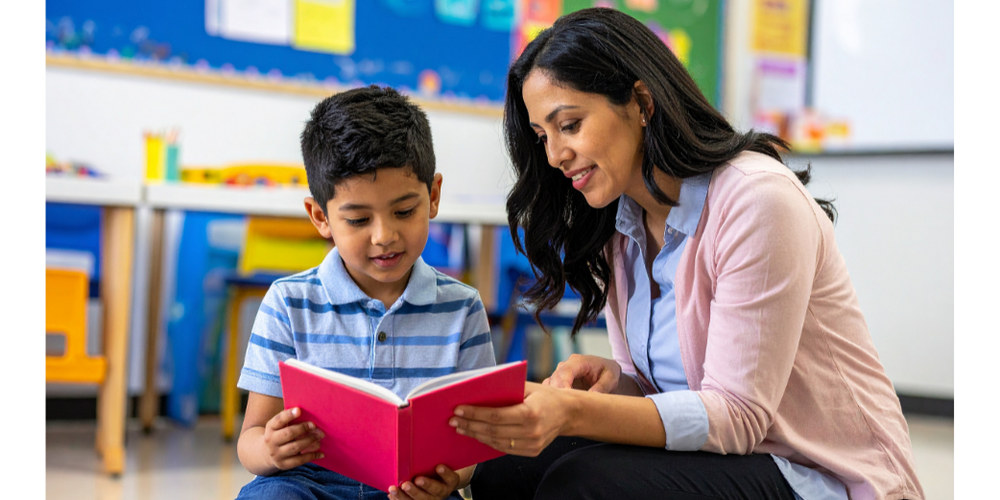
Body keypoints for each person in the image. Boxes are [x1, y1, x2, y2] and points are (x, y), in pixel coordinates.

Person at [450, 8, 924, 500]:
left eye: (569, 125)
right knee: (507, 469)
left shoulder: (757, 199)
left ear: (640, 102)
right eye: (543, 137)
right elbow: (668, 396)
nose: (553, 156)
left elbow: (736, 417)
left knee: (585, 485)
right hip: (721, 459)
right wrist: (616, 381)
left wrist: (571, 412)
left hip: (814, 472)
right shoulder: (620, 222)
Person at [234, 85, 496, 500]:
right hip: (310, 482)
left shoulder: (462, 308)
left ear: (433, 197)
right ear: (320, 217)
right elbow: (250, 438)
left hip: (411, 488)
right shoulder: (289, 303)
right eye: (357, 219)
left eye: (404, 212)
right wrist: (270, 449)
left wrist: (453, 477)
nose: (384, 236)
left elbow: (473, 446)